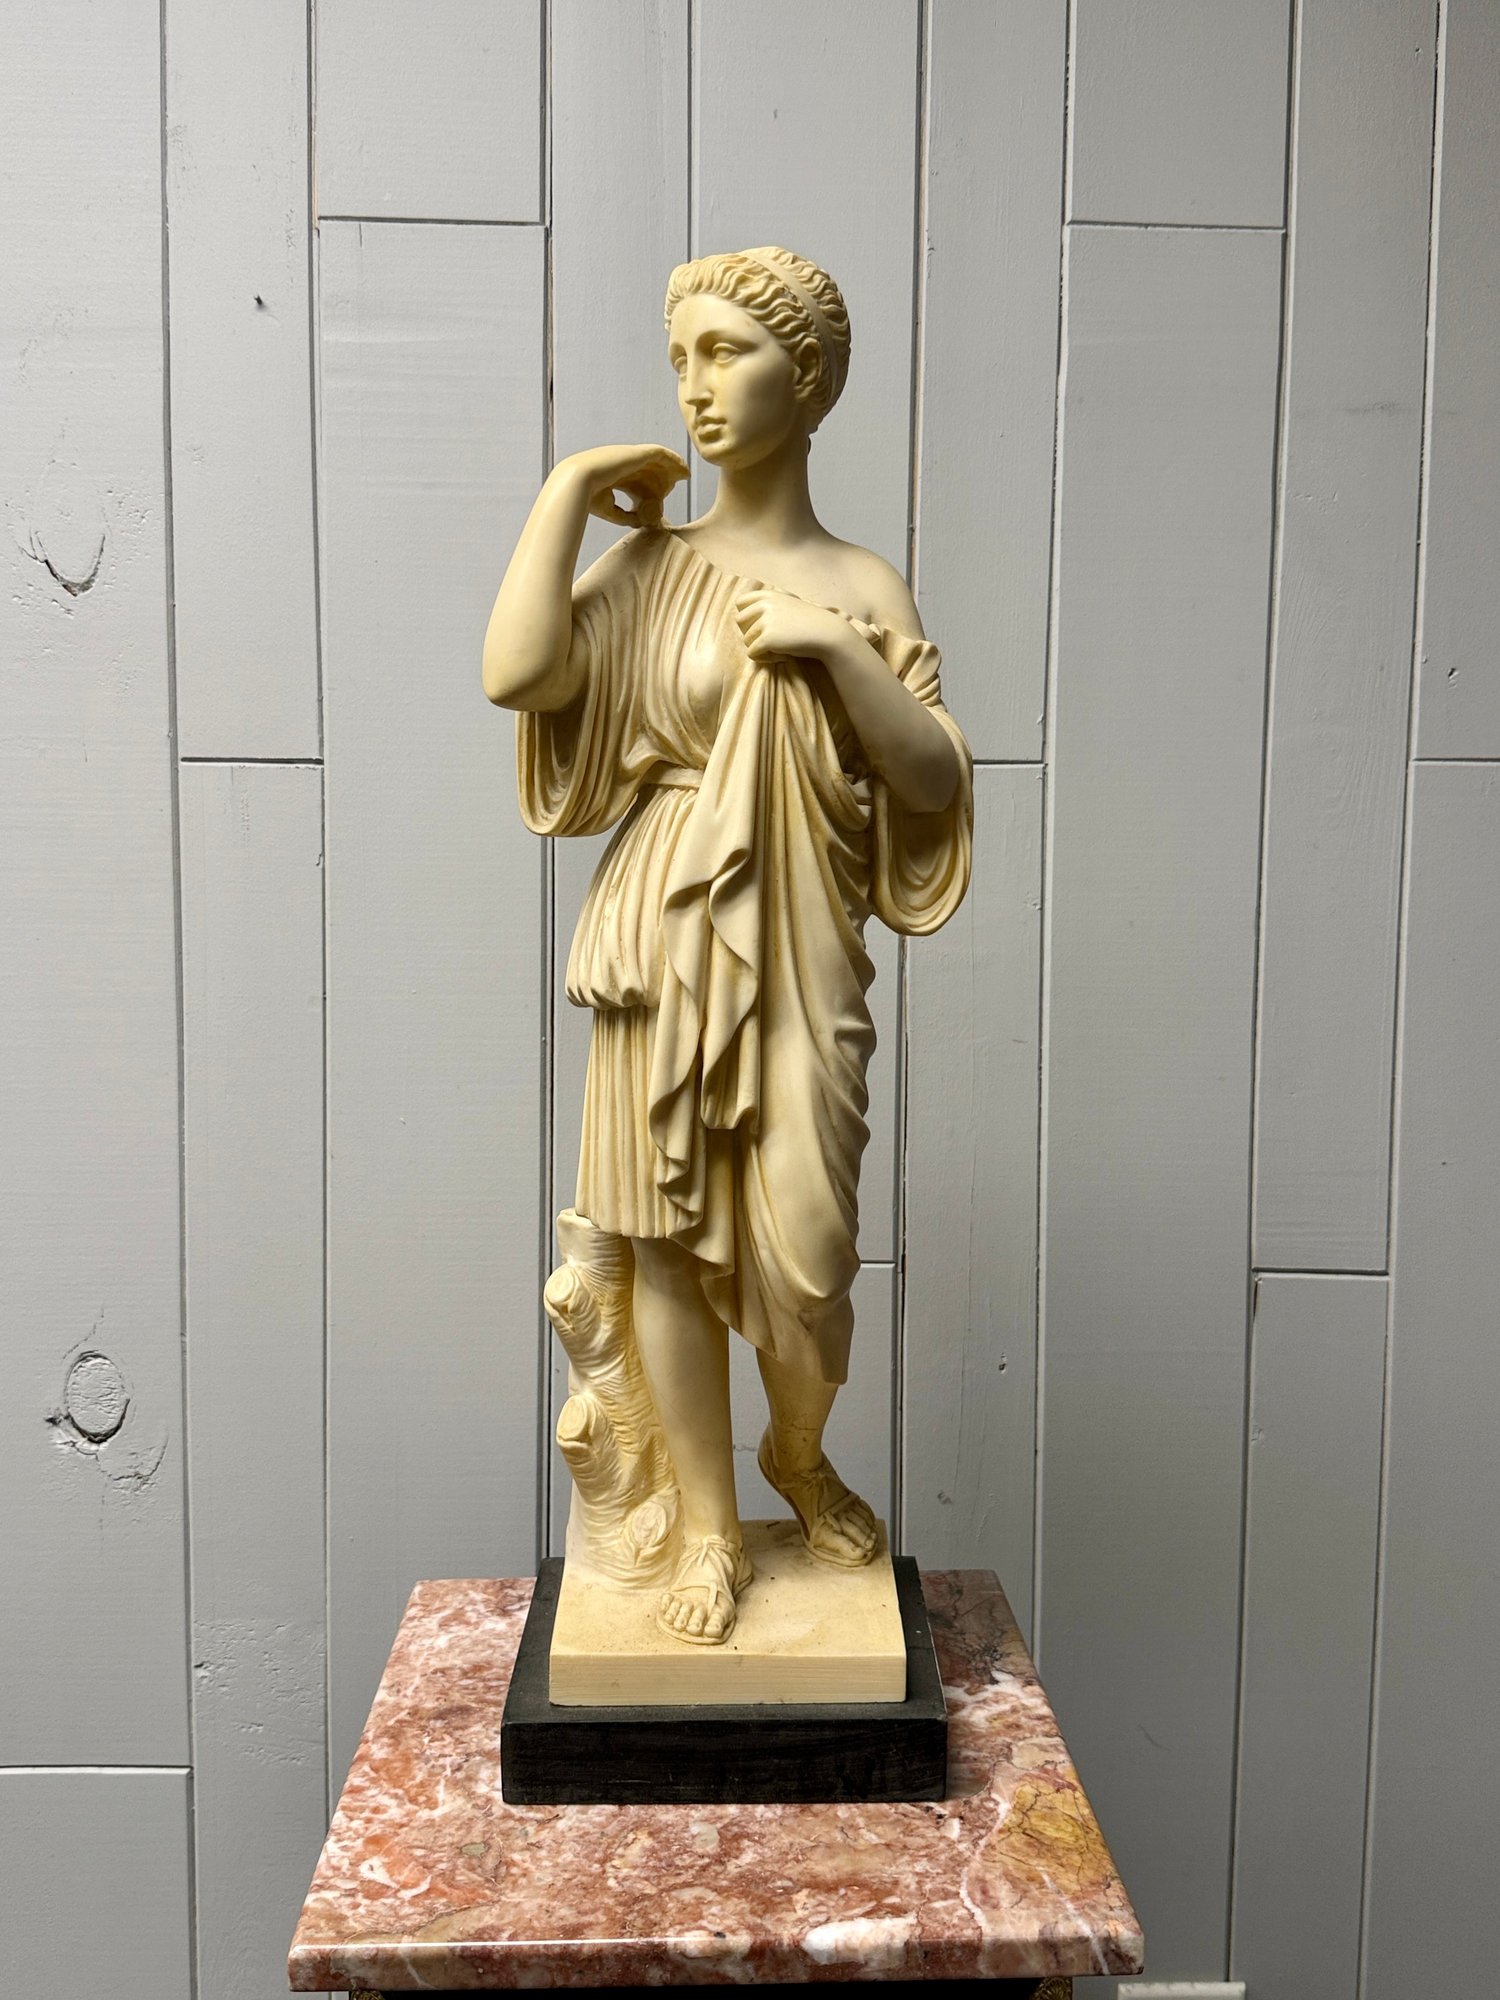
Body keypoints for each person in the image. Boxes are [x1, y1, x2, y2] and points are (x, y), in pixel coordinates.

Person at [483, 246, 972, 1645]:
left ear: (804, 375)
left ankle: (796, 1454)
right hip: (664, 933)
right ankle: (707, 1530)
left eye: (726, 352)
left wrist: (836, 648)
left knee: (811, 1262)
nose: (695, 387)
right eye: (681, 357)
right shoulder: (653, 567)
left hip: (803, 940)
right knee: (667, 1249)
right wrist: (572, 488)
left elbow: (932, 779)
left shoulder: (861, 582)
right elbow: (519, 672)